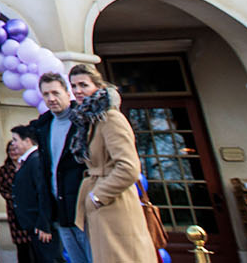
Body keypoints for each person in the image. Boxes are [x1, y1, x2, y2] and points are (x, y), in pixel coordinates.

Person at [69, 64, 156, 263]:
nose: (77, 91)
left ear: (98, 87)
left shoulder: (110, 118)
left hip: (116, 204)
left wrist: (98, 196)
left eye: (83, 85)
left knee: (124, 257)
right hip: (103, 204)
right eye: (74, 86)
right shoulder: (90, 120)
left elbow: (129, 168)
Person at [31, 71, 93, 263]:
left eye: (55, 93)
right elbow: (45, 175)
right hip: (61, 212)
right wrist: (46, 217)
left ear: (68, 93)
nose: (51, 99)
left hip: (87, 210)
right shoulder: (43, 127)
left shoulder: (85, 121)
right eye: (46, 94)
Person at [10, 125, 64, 262]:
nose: (13, 144)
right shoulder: (26, 162)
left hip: (41, 226)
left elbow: (43, 192)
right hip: (33, 225)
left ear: (27, 141)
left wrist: (44, 224)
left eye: (15, 140)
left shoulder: (36, 160)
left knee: (50, 258)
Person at [0, 139, 33, 262]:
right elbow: (2, 189)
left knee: (35, 247)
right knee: (22, 249)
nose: (13, 152)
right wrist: (16, 198)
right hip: (15, 211)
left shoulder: (28, 165)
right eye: (10, 150)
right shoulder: (4, 170)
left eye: (15, 149)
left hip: (31, 210)